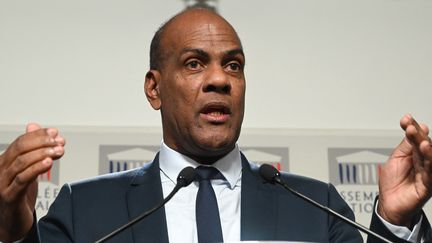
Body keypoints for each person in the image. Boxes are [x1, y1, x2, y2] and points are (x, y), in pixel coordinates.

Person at [0, 7, 431, 243]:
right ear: (154, 89)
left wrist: (395, 221)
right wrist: (11, 230)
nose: (221, 79)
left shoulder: (314, 206)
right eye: (194, 63)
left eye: (233, 65)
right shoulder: (84, 210)